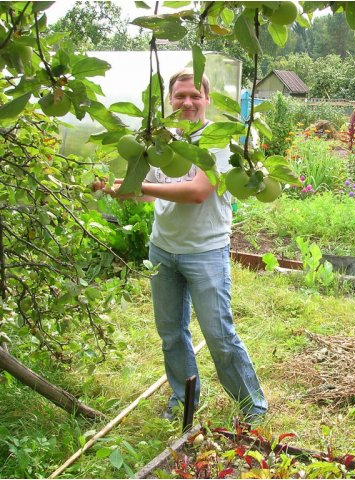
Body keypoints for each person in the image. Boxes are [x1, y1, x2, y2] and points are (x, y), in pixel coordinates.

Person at [105, 69, 267, 423]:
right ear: (170, 101)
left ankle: (252, 406)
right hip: (162, 249)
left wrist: (144, 189)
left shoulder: (218, 141)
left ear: (207, 99)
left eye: (195, 95)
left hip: (205, 251)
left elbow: (197, 192)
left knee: (219, 335)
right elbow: (147, 189)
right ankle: (183, 398)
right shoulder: (162, 144)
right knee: (171, 335)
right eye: (180, 96)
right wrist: (118, 185)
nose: (188, 102)